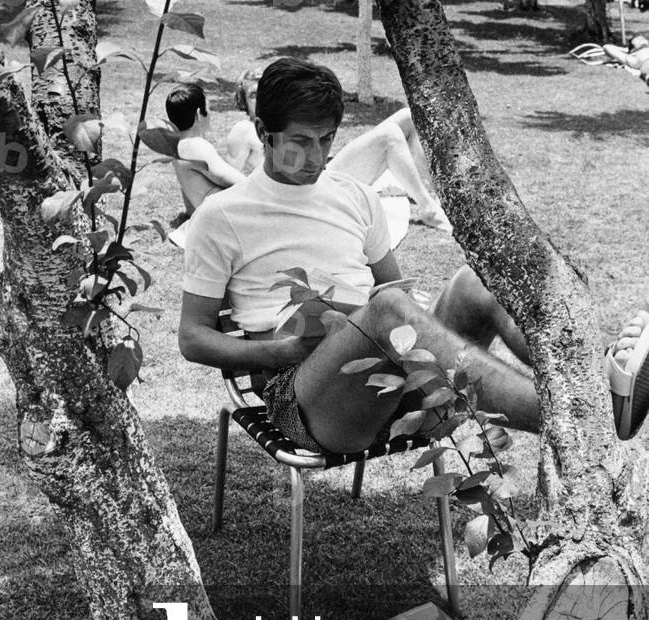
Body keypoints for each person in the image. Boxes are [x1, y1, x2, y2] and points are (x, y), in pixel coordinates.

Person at [179, 57, 649, 453]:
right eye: (300, 141)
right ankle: (589, 415)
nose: (317, 158)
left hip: (397, 383)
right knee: (384, 310)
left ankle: (591, 378)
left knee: (471, 282)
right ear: (264, 131)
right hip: (305, 397)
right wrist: (282, 349)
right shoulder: (222, 216)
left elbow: (394, 291)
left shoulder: (354, 197)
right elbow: (192, 338)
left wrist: (396, 320)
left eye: (326, 140)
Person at [228, 68, 452, 232]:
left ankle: (436, 194)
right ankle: (427, 207)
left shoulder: (285, 123)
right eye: (253, 95)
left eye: (263, 94)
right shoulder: (243, 129)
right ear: (242, 101)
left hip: (321, 171)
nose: (260, 100)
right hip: (308, 188)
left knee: (407, 116)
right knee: (389, 137)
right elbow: (231, 180)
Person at [165, 84, 244, 216]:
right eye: (207, 108)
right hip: (223, 217)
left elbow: (189, 198)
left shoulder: (177, 147)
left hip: (209, 215)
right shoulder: (196, 146)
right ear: (198, 114)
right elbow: (231, 179)